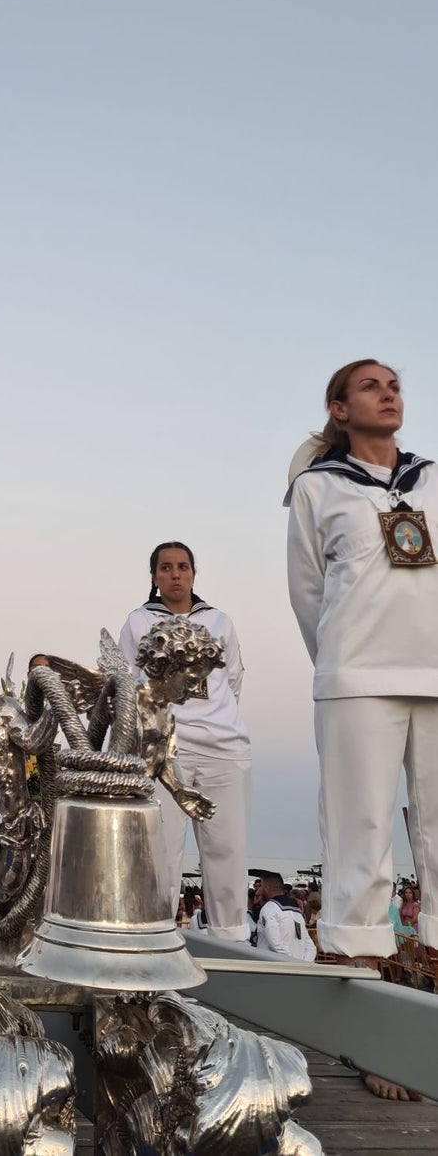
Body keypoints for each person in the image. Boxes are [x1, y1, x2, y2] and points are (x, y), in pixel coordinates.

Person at [286, 360, 438, 966]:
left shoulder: (431, 479)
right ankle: (361, 977)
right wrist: (341, 663)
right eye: (372, 387)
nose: (389, 395)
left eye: (395, 386)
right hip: (357, 676)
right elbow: (308, 593)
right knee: (361, 830)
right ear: (340, 410)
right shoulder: (317, 486)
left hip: (435, 669)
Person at [118, 542, 251, 943]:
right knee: (161, 857)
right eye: (165, 568)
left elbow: (233, 682)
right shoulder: (139, 622)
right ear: (154, 577)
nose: (175, 574)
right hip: (162, 752)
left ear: (194, 573)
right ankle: (154, 940)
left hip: (224, 749)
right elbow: (126, 683)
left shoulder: (220, 621)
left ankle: (232, 942)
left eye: (182, 567)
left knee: (227, 853)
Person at [255, 872, 316, 962]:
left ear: (266, 889)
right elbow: (311, 947)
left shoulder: (269, 909)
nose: (259, 891)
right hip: (298, 969)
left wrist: (294, 964)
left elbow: (276, 945)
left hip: (275, 968)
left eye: (261, 887)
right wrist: (304, 964)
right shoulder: (297, 911)